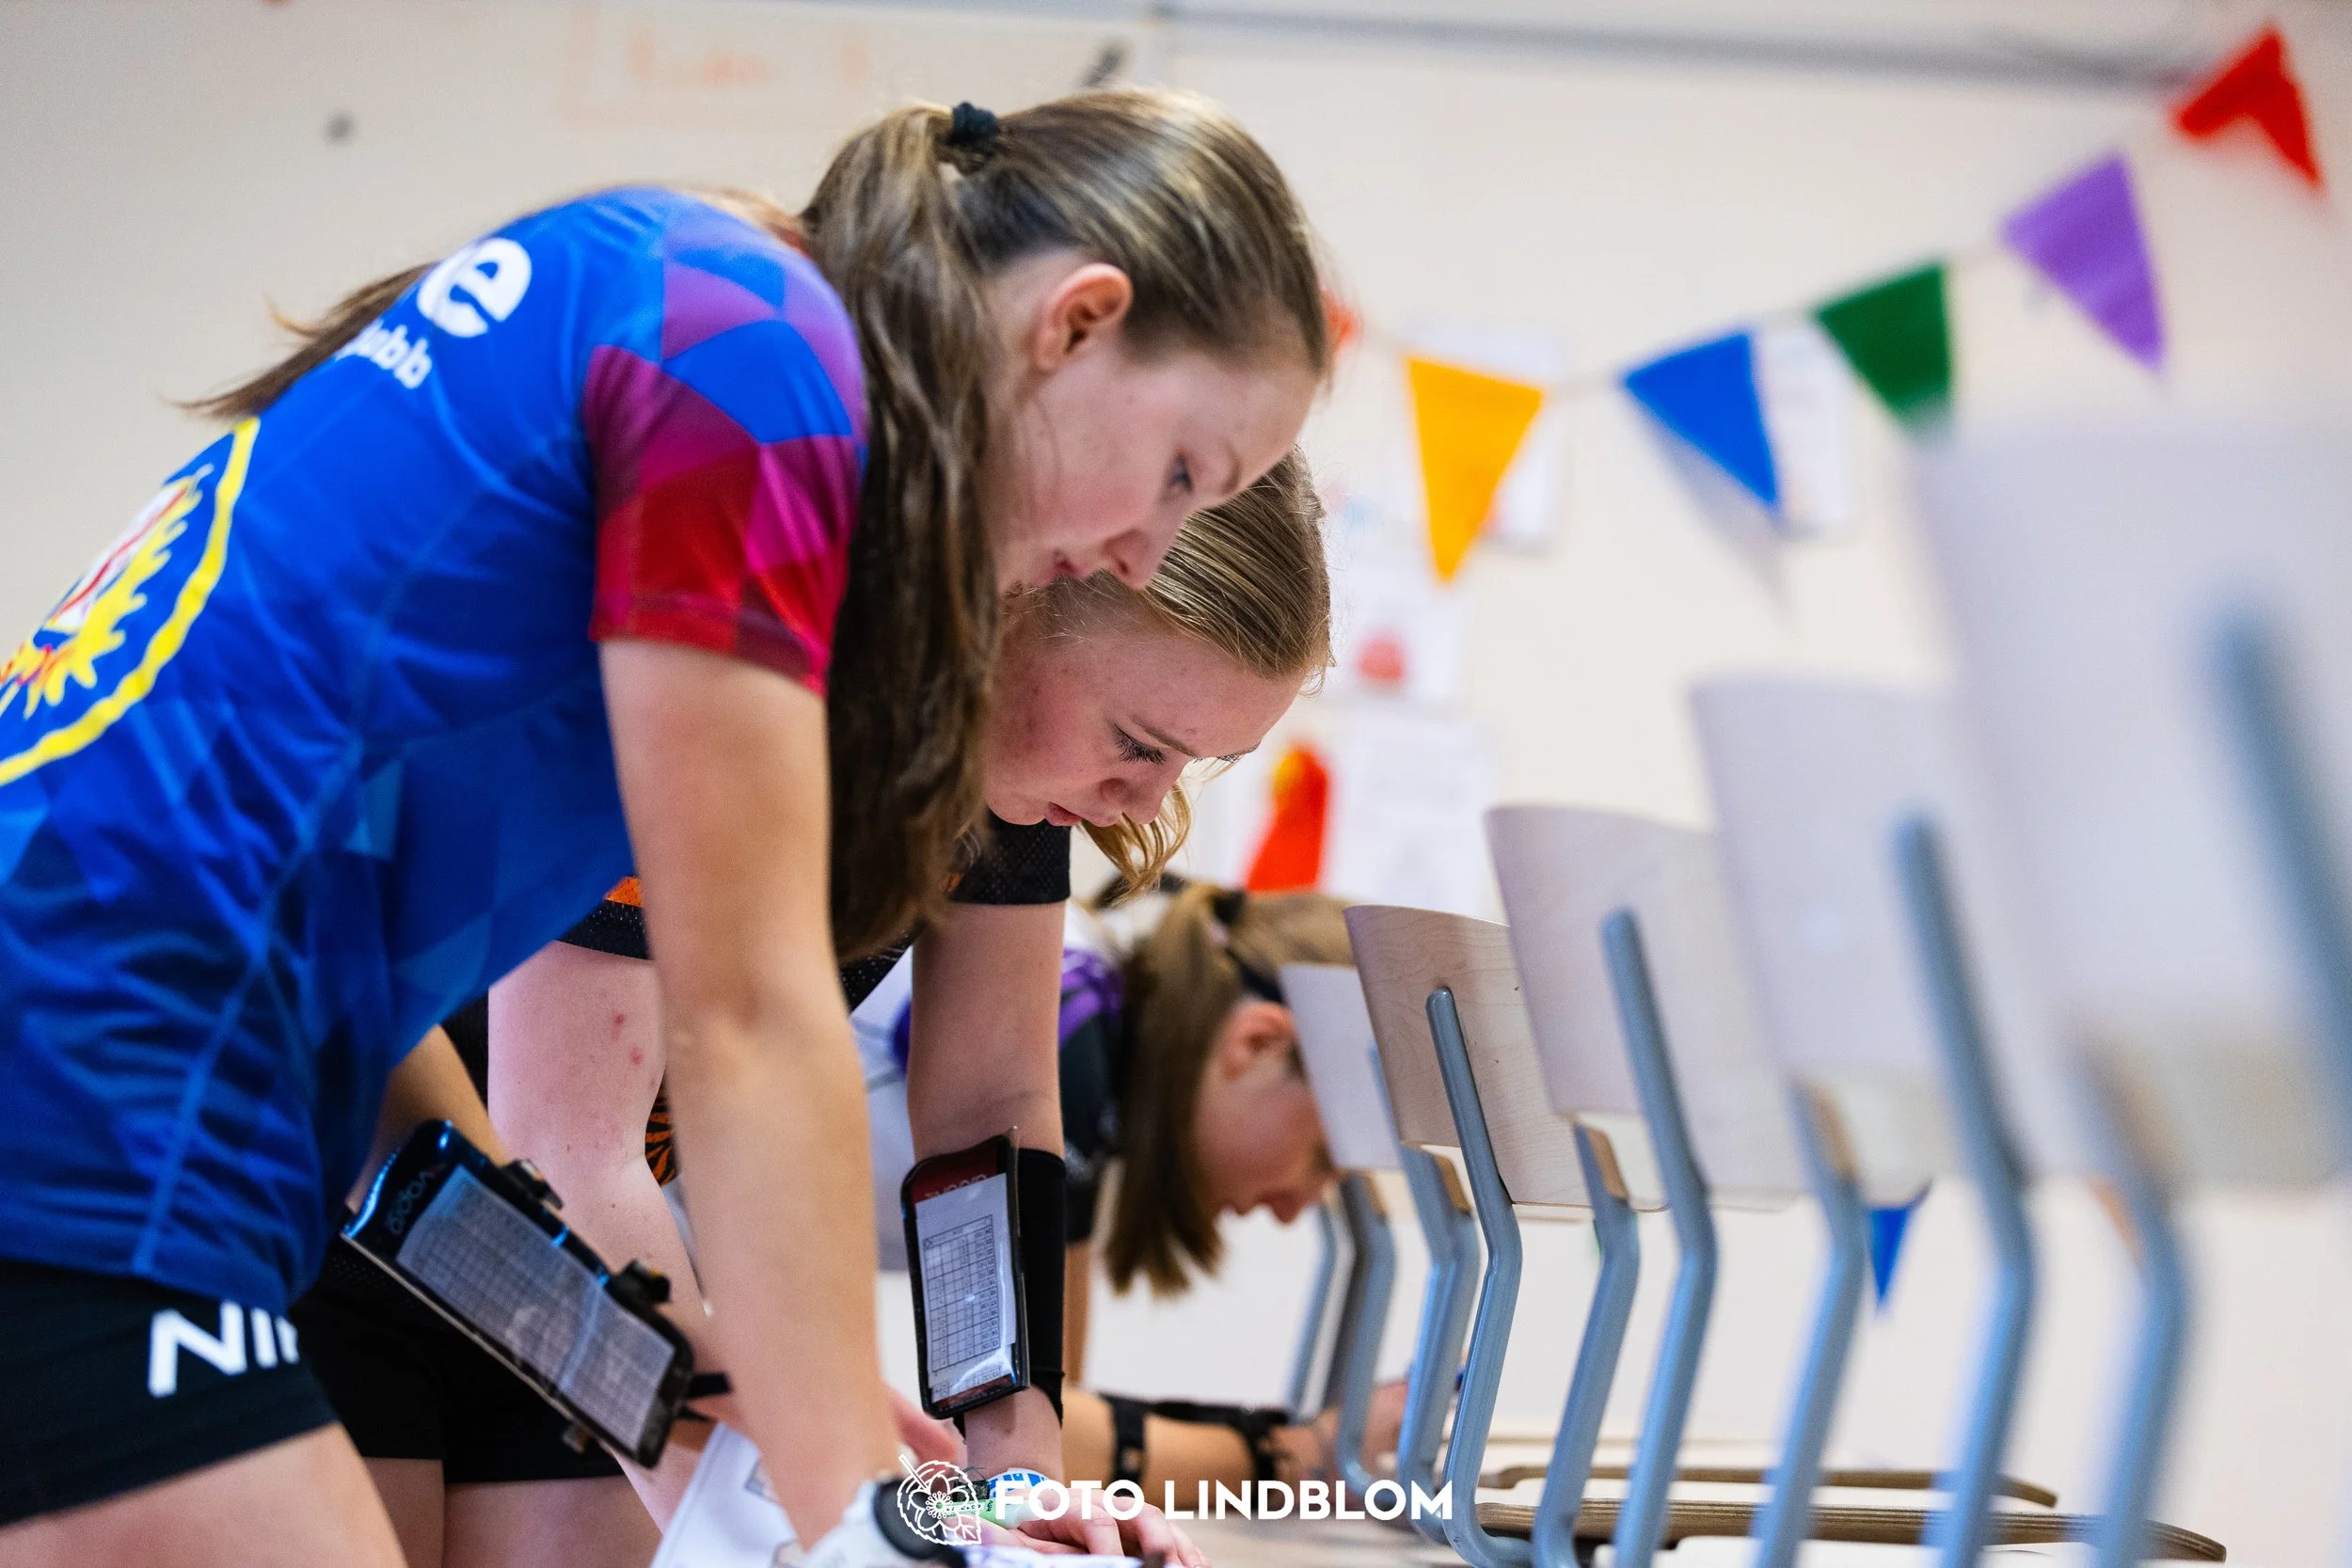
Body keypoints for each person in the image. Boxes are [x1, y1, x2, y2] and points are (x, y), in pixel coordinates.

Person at [0, 87, 1327, 1567]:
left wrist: (816, 1429)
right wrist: (853, 1517)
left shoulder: (721, 302)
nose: (1147, 545)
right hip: (107, 1065)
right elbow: (740, 1027)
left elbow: (442, 1077)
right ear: (1076, 324)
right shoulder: (761, 367)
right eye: (1184, 475)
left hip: (177, 1072)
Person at [295, 451, 1331, 1566]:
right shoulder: (720, 671)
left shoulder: (1006, 771)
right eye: (1140, 742)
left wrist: (1016, 1488)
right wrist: (820, 1510)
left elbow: (990, 1112)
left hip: (571, 1264)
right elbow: (569, 1145)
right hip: (347, 1207)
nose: (1148, 800)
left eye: (1196, 764)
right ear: (1019, 600)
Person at [866, 880, 1404, 1501]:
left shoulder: (1092, 1035)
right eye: (1324, 1158)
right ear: (1257, 1041)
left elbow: (1048, 1418)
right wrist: (1303, 1456)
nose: (1296, 1208)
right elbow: (1020, 1447)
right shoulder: (1071, 1026)